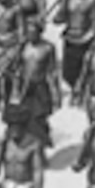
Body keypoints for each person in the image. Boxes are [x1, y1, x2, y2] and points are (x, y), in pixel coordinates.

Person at [51, 0, 95, 96]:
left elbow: (94, 21)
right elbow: (58, 19)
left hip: (85, 37)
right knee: (68, 70)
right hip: (70, 36)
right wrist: (63, 6)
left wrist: (94, 36)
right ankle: (74, 87)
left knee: (83, 67)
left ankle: (81, 92)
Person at [15, 19, 62, 149]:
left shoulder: (48, 48)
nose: (31, 35)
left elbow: (53, 71)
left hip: (40, 86)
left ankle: (43, 140)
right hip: (25, 86)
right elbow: (17, 67)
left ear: (39, 33)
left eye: (33, 32)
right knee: (24, 115)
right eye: (28, 32)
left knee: (39, 115)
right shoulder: (23, 46)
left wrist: (56, 93)